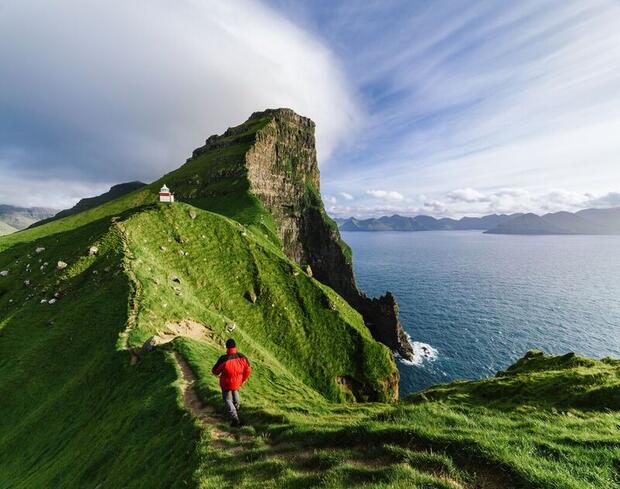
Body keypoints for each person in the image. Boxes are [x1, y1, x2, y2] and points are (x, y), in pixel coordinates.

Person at [211, 338, 251, 426]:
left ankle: (235, 419)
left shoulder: (224, 359)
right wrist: (242, 380)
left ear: (227, 347)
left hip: (226, 383)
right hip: (237, 383)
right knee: (235, 391)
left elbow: (215, 371)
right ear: (235, 346)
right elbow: (248, 369)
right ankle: (237, 408)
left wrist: (218, 373)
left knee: (228, 400)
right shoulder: (242, 357)